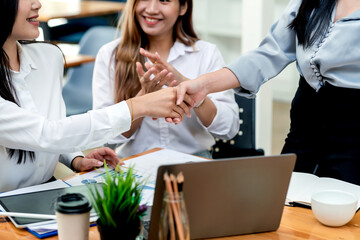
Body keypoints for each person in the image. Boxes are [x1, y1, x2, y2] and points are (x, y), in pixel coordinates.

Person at [0, 0, 191, 192]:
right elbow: (46, 133)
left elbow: (54, 125)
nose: (37, 4)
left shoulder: (49, 57)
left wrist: (76, 159)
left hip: (45, 191)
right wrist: (137, 105)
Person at [169, 0, 360, 185]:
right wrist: (204, 84)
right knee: (287, 200)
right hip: (304, 122)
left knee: (345, 208)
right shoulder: (307, 2)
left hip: (352, 126)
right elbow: (270, 53)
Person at [92, 0, 239, 159]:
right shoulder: (110, 55)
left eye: (164, 1)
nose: (152, 9)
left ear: (183, 7)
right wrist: (144, 98)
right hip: (132, 163)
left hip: (194, 160)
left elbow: (229, 128)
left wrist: (194, 93)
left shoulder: (206, 53)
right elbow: (105, 136)